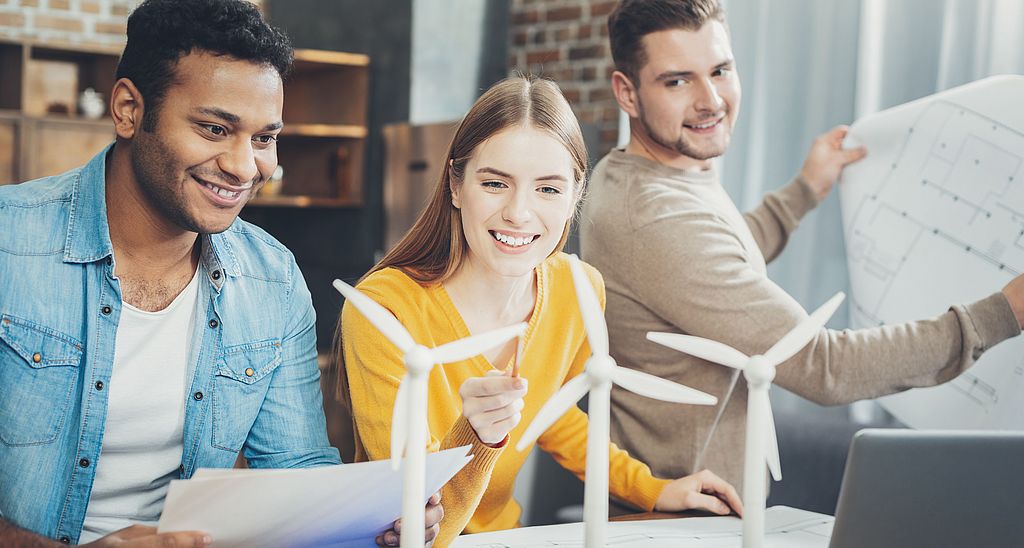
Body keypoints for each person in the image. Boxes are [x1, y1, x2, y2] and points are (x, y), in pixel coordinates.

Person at [0, 1, 441, 546]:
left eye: (263, 138)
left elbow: (295, 469)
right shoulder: (9, 245)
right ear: (129, 110)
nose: (244, 166)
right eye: (214, 128)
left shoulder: (273, 280)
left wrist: (371, 521)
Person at [580, 0, 1024, 493]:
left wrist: (805, 190)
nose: (711, 100)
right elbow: (825, 366)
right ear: (627, 92)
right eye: (677, 81)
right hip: (681, 525)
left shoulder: (646, 175)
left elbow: (719, 255)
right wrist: (1005, 311)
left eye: (721, 70)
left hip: (707, 514)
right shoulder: (654, 215)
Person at [337, 75, 744, 546]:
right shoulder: (383, 309)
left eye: (548, 189)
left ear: (576, 194)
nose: (518, 213)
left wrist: (653, 489)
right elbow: (420, 522)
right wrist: (477, 435)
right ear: (455, 184)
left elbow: (553, 414)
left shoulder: (579, 290)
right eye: (494, 183)